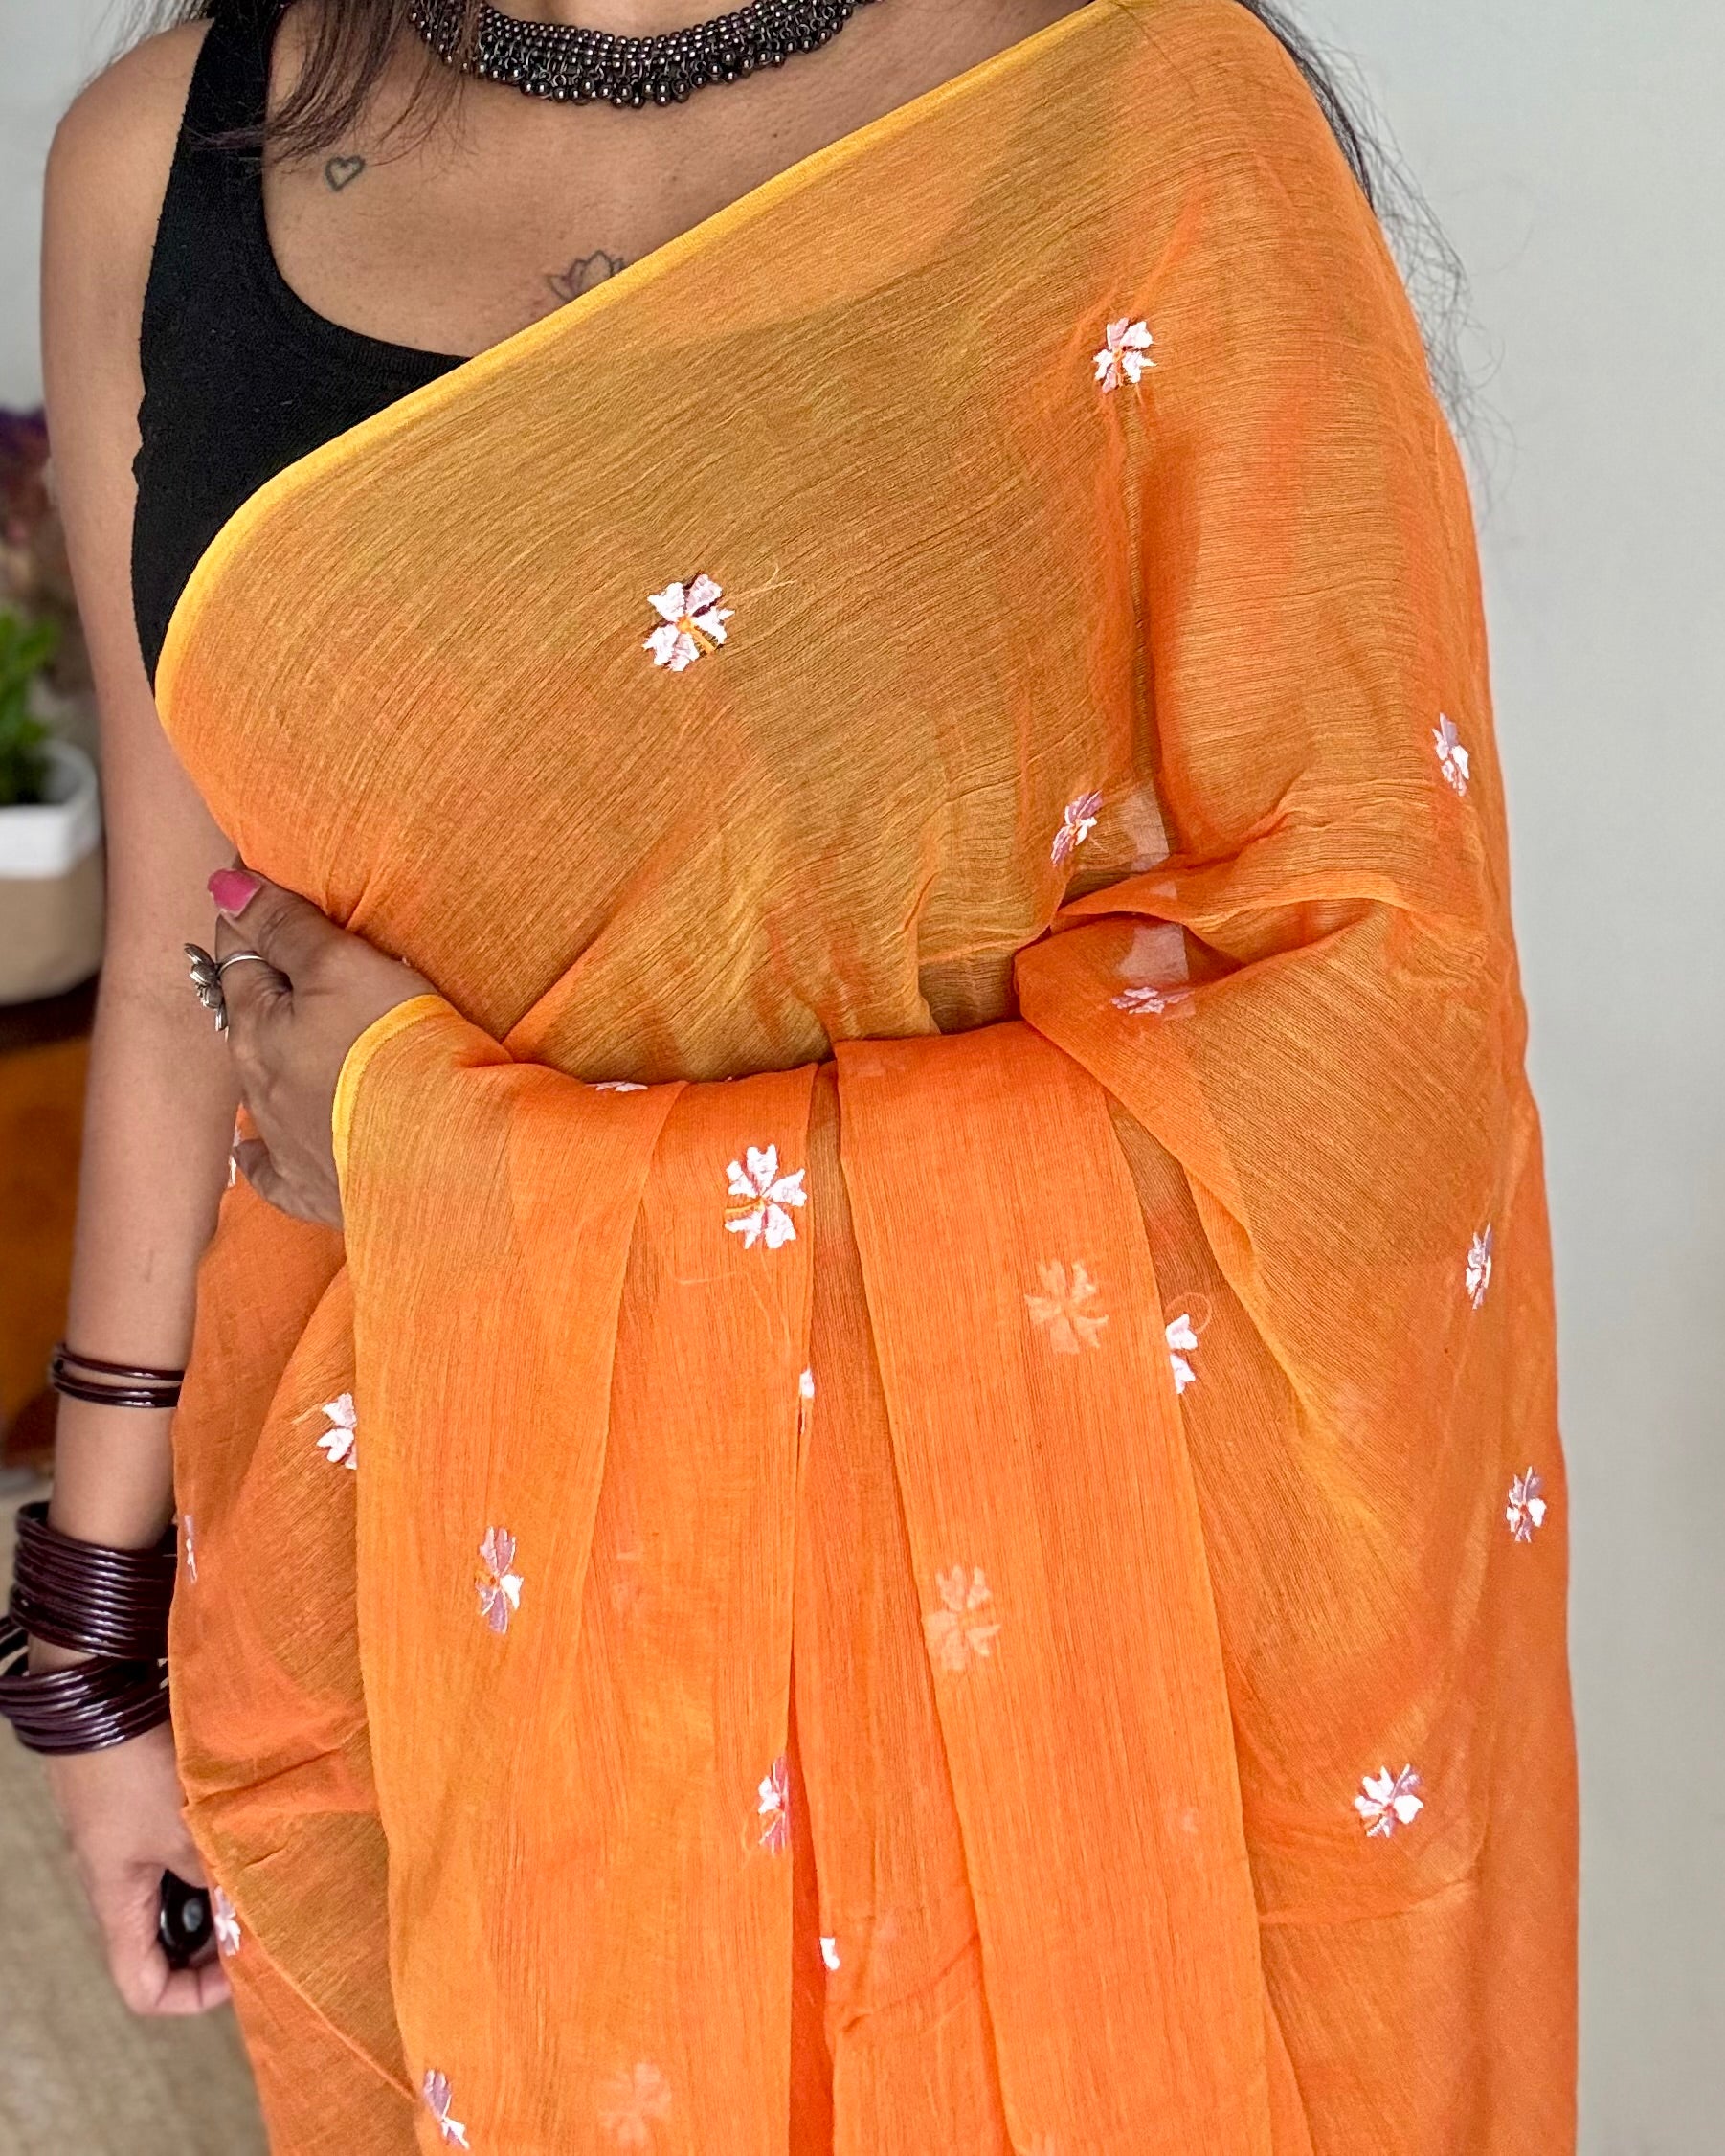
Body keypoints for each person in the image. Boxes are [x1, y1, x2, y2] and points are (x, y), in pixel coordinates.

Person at [11, 0, 1577, 2146]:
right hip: (457, 1588)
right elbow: (187, 965)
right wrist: (92, 1633)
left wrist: (461, 1164)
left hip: (1048, 1628)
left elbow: (1371, 1031)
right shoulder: (162, 162)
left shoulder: (1136, 111)